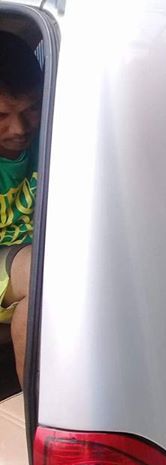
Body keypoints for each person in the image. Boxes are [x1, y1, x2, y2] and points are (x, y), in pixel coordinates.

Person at [0, 31, 42, 388]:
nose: (19, 129)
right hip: (13, 259)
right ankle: (35, 407)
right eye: (2, 114)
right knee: (44, 274)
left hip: (36, 250)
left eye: (31, 109)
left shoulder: (55, 135)